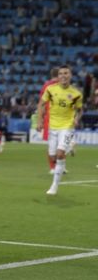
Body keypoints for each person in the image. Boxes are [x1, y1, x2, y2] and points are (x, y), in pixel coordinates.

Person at [37, 65, 82, 195]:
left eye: (66, 73)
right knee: (52, 157)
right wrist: (40, 120)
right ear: (58, 76)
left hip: (67, 126)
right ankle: (70, 146)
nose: (63, 75)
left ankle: (54, 186)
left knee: (60, 154)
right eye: (61, 73)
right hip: (53, 127)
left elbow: (79, 110)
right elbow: (41, 104)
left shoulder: (76, 93)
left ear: (70, 75)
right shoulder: (51, 89)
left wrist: (76, 118)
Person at [39, 67, 59, 173]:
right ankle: (56, 166)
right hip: (60, 117)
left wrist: (40, 119)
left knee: (52, 144)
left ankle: (53, 167)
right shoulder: (63, 85)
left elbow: (41, 103)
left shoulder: (46, 85)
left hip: (50, 117)